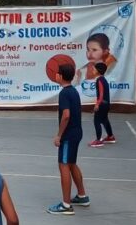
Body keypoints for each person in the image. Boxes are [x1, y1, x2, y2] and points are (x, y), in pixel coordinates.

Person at [47, 63, 90, 214]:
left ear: (60, 76)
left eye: (57, 73)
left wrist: (59, 135)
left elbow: (66, 116)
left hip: (69, 135)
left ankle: (66, 205)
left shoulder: (64, 93)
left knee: (64, 165)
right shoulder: (73, 91)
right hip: (77, 132)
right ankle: (82, 195)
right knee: (71, 164)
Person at [88, 62, 116, 148]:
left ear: (98, 70)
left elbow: (101, 93)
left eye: (94, 68)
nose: (93, 70)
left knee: (96, 121)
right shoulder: (103, 79)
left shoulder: (99, 80)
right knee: (104, 120)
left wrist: (97, 104)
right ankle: (110, 137)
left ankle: (98, 140)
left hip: (102, 104)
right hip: (106, 104)